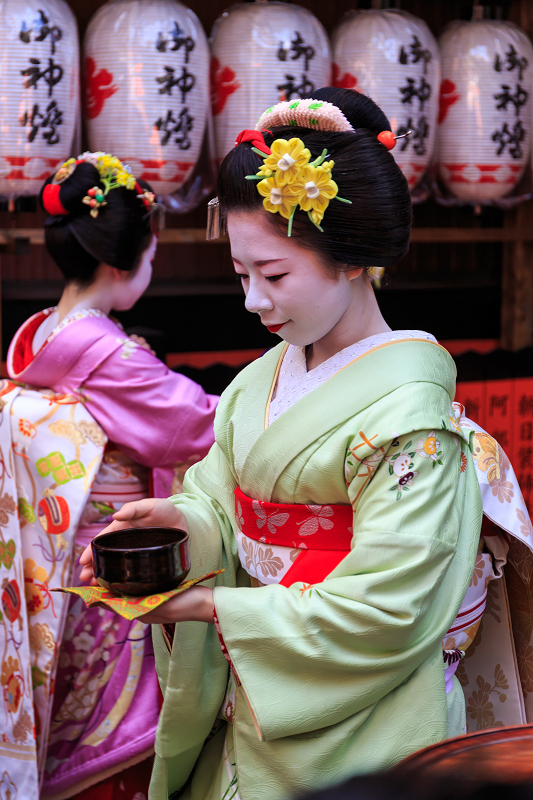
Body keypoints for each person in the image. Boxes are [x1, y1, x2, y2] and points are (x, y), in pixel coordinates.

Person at [80, 91, 485, 800]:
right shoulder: (255, 383)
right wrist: (185, 523)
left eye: (274, 276)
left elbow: (387, 611)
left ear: (352, 259)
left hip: (370, 728)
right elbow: (216, 498)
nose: (253, 301)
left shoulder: (413, 416)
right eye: (242, 275)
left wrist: (216, 610)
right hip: (258, 701)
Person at [6, 152, 218, 800]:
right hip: (106, 581)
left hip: (50, 574)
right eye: (151, 257)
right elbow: (196, 427)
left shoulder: (39, 337)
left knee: (58, 729)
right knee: (115, 746)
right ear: (121, 262)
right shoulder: (109, 357)